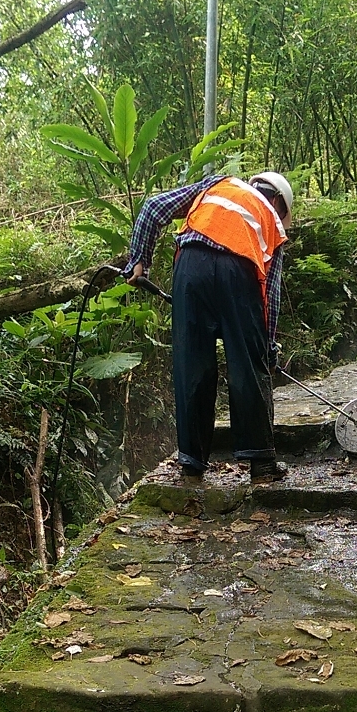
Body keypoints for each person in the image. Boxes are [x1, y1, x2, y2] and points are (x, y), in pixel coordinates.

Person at [123, 171, 293, 483]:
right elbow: (271, 295)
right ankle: (261, 464)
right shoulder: (271, 221)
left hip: (190, 266)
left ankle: (191, 464)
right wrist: (266, 350)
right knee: (247, 364)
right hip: (239, 270)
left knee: (193, 363)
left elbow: (152, 208)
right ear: (279, 203)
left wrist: (139, 260)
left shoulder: (218, 184)